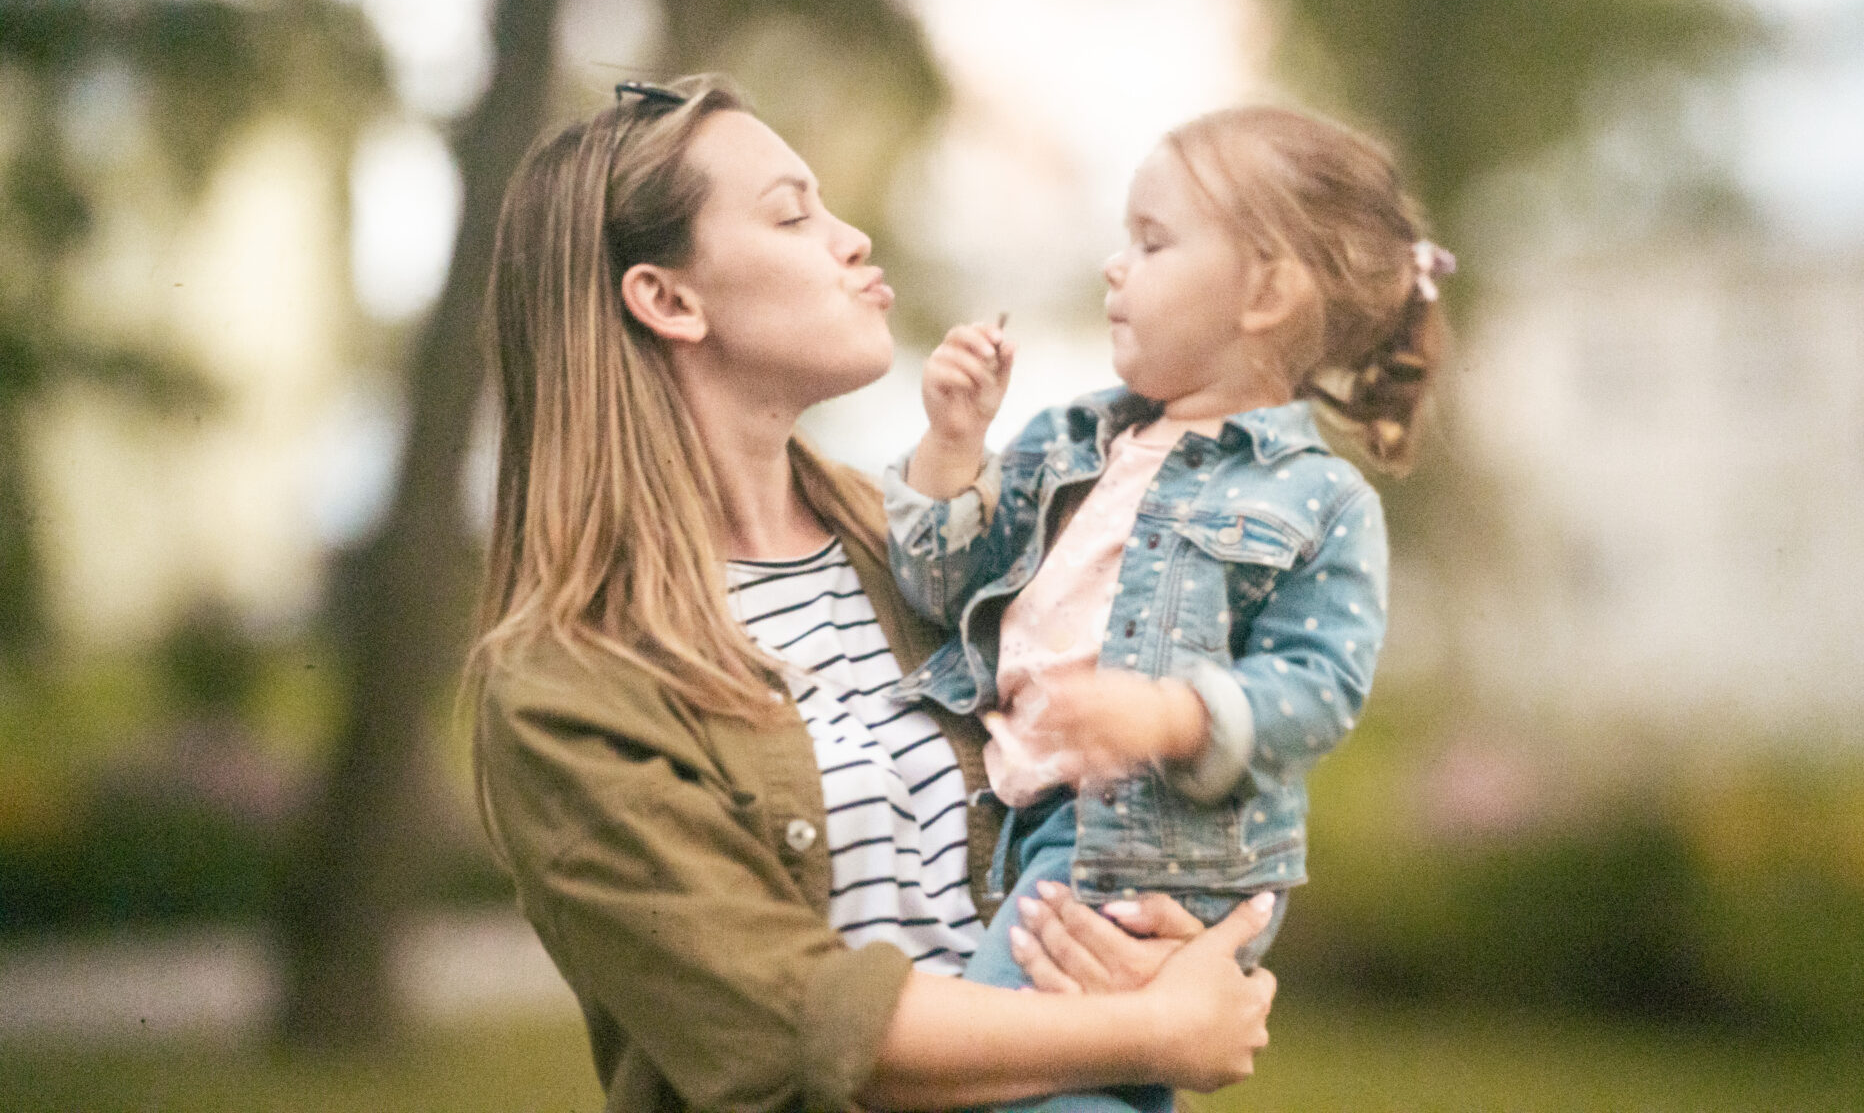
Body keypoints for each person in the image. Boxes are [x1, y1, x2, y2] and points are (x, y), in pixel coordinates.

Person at [465, 75, 1279, 1113]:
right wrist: (1151, 1031)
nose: (850, 239)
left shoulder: (944, 549)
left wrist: (1170, 940)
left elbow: (1125, 777)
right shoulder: (566, 684)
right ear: (668, 300)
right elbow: (792, 1025)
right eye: (791, 216)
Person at [884, 103, 1453, 1111]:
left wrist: (1176, 714)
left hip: (1152, 845)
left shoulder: (1320, 499)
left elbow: (1321, 687)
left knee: (990, 1072)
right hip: (1026, 823)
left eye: (1152, 241)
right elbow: (941, 592)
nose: (1116, 265)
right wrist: (953, 450)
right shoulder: (1071, 441)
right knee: (1075, 1079)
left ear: (1265, 291)